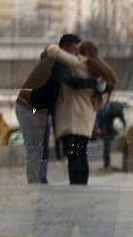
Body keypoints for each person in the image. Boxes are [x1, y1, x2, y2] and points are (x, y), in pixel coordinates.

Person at [42, 40, 117, 184]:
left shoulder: (81, 64)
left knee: (74, 155)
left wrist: (50, 47)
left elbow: (57, 53)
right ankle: (82, 184)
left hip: (74, 121)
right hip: (86, 121)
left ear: (83, 52)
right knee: (80, 154)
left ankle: (76, 185)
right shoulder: (96, 71)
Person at [16, 34, 82, 184]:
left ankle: (41, 179)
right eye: (74, 50)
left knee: (42, 147)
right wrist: (88, 83)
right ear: (64, 48)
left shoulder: (58, 61)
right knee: (36, 148)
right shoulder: (57, 63)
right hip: (30, 108)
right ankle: (35, 182)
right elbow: (66, 81)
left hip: (39, 110)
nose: (77, 54)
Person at [95, 100, 126, 169]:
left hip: (106, 124)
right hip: (105, 124)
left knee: (107, 145)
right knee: (107, 145)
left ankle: (107, 163)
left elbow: (101, 122)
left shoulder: (109, 110)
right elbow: (123, 121)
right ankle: (107, 163)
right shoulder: (106, 111)